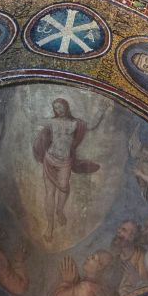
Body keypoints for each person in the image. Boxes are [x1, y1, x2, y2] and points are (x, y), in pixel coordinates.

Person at [33, 98, 104, 241]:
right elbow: (34, 120)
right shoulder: (52, 122)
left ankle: (59, 210)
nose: (58, 110)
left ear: (66, 107)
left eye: (60, 107)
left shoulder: (75, 123)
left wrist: (101, 110)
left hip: (65, 161)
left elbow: (91, 125)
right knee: (50, 193)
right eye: (56, 108)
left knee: (64, 187)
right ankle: (50, 226)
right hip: (50, 159)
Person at [109, 220, 148, 294]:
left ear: (132, 236)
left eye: (123, 230)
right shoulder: (116, 259)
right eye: (119, 229)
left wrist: (137, 281)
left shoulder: (142, 257)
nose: (118, 231)